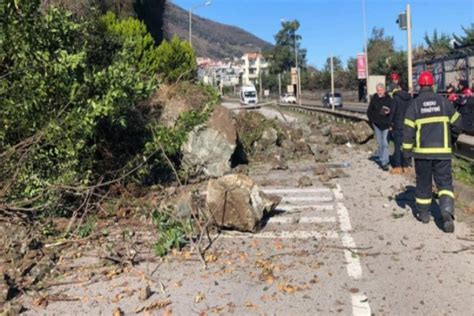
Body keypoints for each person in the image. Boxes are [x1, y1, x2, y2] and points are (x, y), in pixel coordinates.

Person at [402, 71, 462, 233]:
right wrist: (452, 139)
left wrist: (406, 153)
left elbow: (407, 132)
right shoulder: (444, 103)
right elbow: (458, 124)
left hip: (422, 154)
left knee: (423, 184)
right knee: (444, 184)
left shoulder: (414, 105)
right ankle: (447, 211)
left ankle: (424, 214)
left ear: (419, 86)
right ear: (433, 85)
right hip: (442, 153)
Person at [367, 83, 393, 171]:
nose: (379, 92)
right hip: (377, 124)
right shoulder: (374, 99)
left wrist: (389, 114)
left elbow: (393, 110)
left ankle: (385, 162)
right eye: (378, 90)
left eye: (381, 90)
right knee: (380, 143)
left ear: (384, 90)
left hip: (386, 124)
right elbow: (369, 111)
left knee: (385, 143)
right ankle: (382, 159)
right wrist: (372, 121)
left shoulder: (389, 99)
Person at [388, 83, 412, 174]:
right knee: (406, 147)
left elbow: (392, 112)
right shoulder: (410, 99)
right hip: (408, 125)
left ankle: (397, 166)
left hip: (398, 125)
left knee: (397, 147)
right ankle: (405, 166)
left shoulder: (395, 98)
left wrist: (390, 123)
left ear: (399, 88)